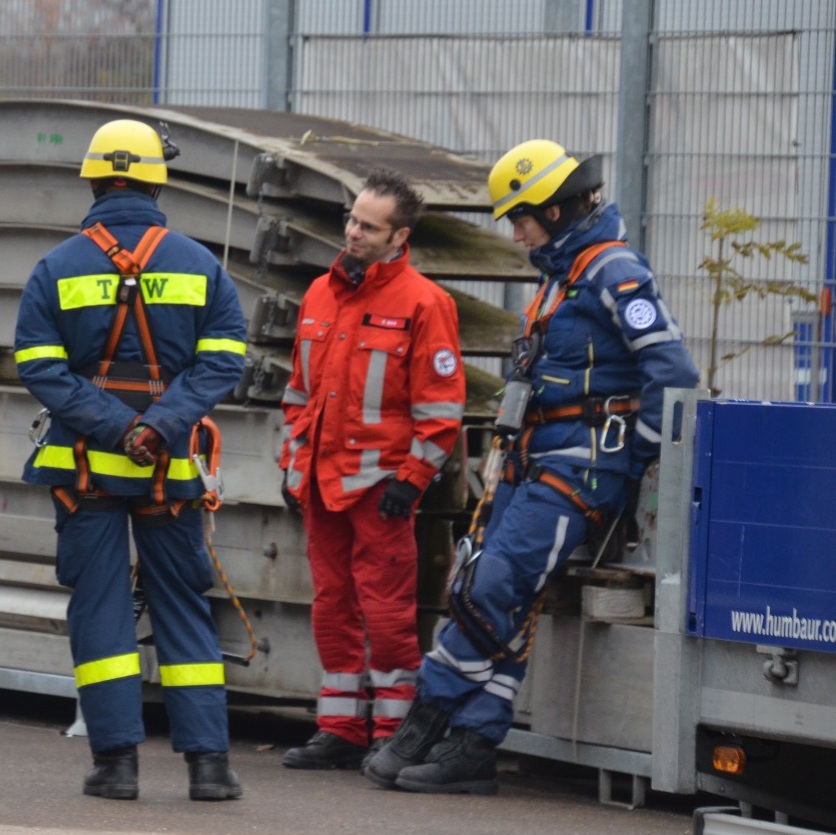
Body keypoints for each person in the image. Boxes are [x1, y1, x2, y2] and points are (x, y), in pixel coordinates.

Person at [365, 139, 700, 794]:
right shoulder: (562, 272)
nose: (514, 232)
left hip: (580, 463)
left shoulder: (614, 270)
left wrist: (639, 455)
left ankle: (427, 715)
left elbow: (673, 368)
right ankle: (475, 741)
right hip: (529, 456)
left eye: (521, 216)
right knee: (485, 585)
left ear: (556, 207)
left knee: (495, 583)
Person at [14, 119, 247, 801]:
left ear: (92, 179)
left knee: (101, 610)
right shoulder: (202, 264)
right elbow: (223, 360)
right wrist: (160, 426)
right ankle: (209, 767)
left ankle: (116, 763)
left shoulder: (55, 267)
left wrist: (117, 428)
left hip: (85, 467)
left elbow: (40, 366)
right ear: (156, 181)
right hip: (167, 471)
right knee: (181, 604)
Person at [279, 168, 466, 772]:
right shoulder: (319, 294)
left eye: (368, 225)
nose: (353, 232)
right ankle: (340, 727)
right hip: (320, 480)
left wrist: (411, 479)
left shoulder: (425, 303)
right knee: (331, 604)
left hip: (380, 484)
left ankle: (394, 729)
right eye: (351, 220)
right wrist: (291, 464)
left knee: (386, 610)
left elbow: (441, 412)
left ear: (399, 236)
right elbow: (298, 394)